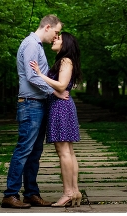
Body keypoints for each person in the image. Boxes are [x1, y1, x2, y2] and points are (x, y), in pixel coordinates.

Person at [1, 15, 68, 209]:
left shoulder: (37, 46)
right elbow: (32, 77)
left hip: (38, 104)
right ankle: (10, 194)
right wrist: (55, 92)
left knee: (34, 152)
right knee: (24, 150)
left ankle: (31, 193)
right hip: (30, 104)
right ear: (47, 27)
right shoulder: (31, 44)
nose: (56, 37)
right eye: (56, 32)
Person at [29, 31, 83, 208]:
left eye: (58, 38)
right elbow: (59, 88)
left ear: (65, 43)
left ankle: (68, 193)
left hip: (61, 108)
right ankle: (74, 191)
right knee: (68, 151)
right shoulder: (64, 60)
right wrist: (53, 90)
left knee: (64, 152)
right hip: (62, 107)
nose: (54, 39)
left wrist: (39, 73)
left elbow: (61, 85)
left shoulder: (65, 61)